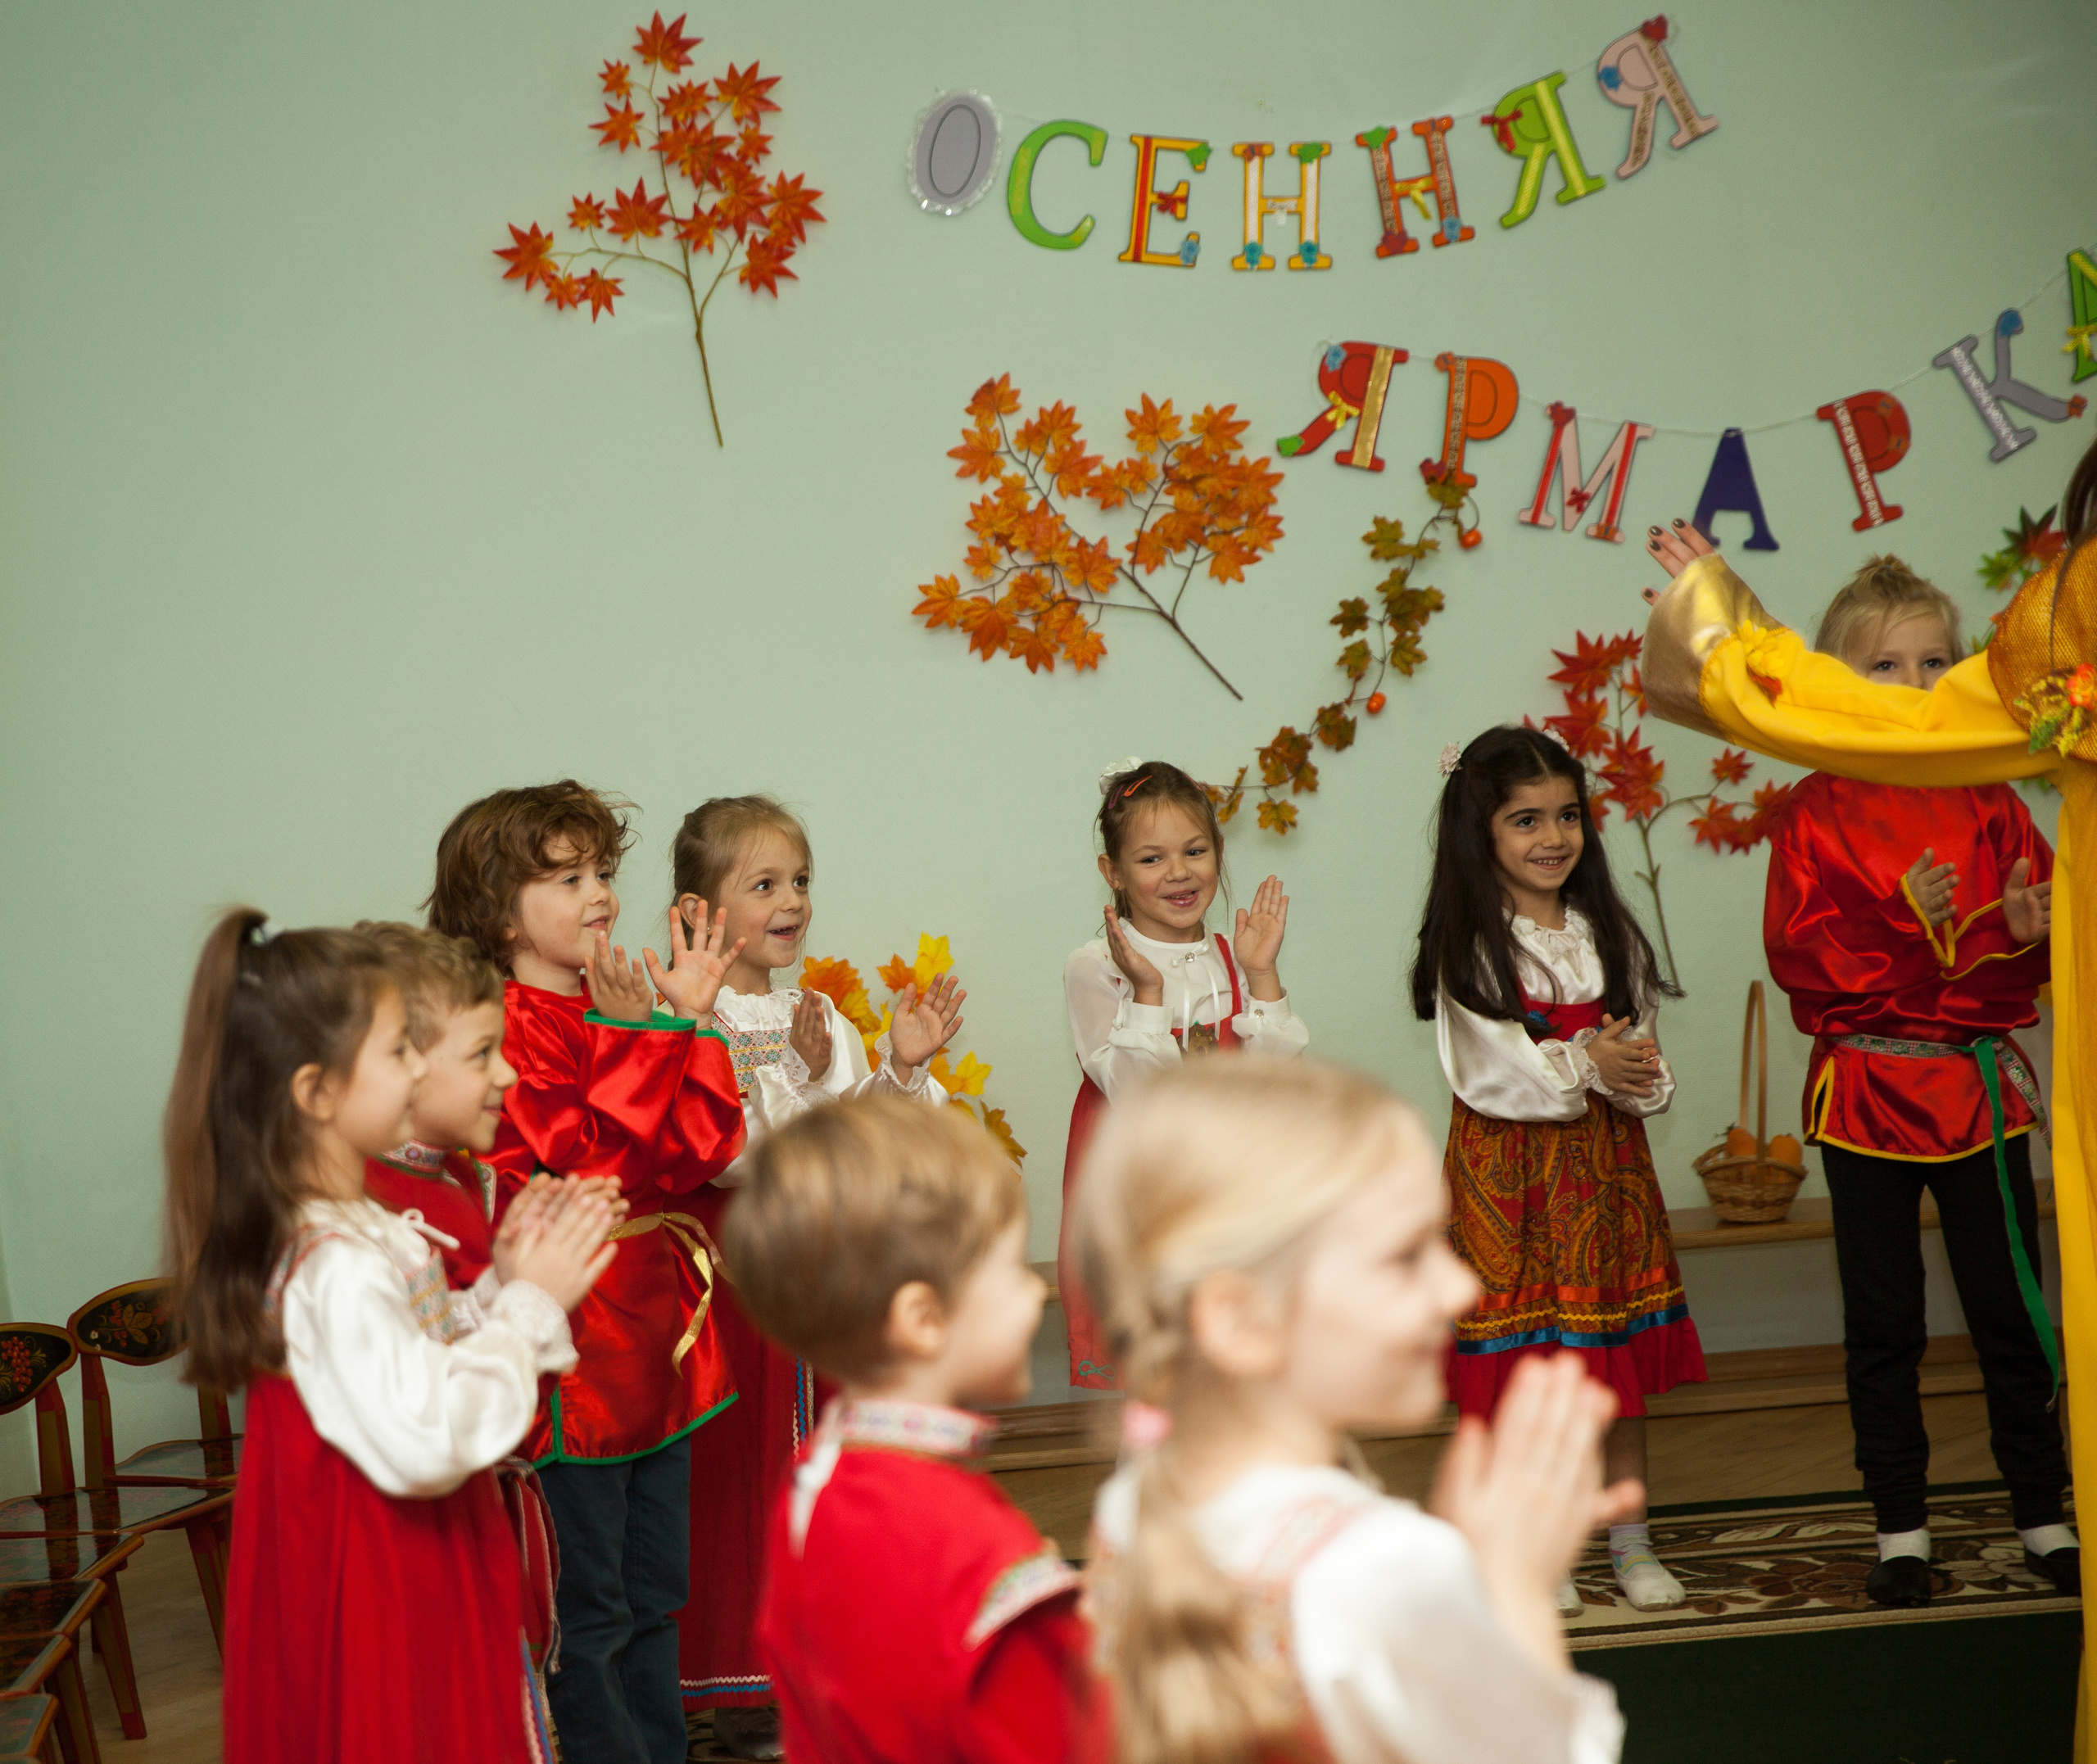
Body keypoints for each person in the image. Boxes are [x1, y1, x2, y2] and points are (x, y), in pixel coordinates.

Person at [1078, 1059, 1630, 1764]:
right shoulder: (1383, 1566)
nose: (1462, 1286)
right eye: (1405, 1257)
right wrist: (1512, 1591)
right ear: (1241, 1319)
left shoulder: (1136, 1501)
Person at [172, 909, 617, 1763]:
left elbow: (419, 1357)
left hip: (412, 1554)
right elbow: (424, 1434)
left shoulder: (360, 1229)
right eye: (397, 1052)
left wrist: (508, 1285)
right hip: (382, 1576)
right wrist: (526, 1310)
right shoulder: (331, 1259)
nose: (418, 1071)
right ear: (317, 1092)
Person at [1757, 558, 2072, 1606]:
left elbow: (2011, 975)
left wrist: (2023, 932)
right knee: (1882, 1323)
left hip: (1977, 1097)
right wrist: (1904, 918)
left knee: (2010, 1312)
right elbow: (1806, 969)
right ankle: (1900, 1528)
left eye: (1935, 660)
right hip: (1866, 1101)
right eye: (1884, 663)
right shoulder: (1812, 811)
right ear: (1837, 680)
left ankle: (2042, 1510)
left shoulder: (1988, 800)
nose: (1915, 678)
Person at [428, 780, 749, 1764]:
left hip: (658, 1341)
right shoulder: (502, 1028)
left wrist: (683, 1021)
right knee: (593, 1612)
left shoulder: (616, 1002)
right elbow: (587, 1170)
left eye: (602, 870)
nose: (599, 892)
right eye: (566, 877)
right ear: (496, 909)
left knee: (659, 1595)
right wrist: (639, 1036)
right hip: (577, 1362)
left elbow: (699, 1150)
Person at [665, 794, 964, 1759]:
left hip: (813, 1277)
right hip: (730, 1285)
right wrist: (790, 1088)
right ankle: (733, 1684)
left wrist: (900, 1071)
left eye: (800, 881)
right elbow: (726, 1156)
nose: (791, 901)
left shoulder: (819, 1012)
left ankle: (816, 1666)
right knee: (738, 1478)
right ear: (700, 911)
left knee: (813, 1472)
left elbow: (854, 1146)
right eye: (764, 885)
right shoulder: (690, 1011)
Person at [1410, 725, 1705, 1612]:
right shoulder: (1473, 943)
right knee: (1518, 1370)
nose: (1552, 838)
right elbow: (1492, 1069)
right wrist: (1586, 1063)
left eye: (1567, 816)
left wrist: (1633, 1072)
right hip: (1509, 1179)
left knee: (1605, 1365)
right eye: (1525, 820)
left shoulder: (1602, 929)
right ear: (1481, 834)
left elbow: (1638, 1043)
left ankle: (1628, 1541)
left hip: (1603, 1175)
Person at [729, 1097, 1098, 1764]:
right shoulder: (972, 1548)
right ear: (923, 1317)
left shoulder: (819, 1472)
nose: (1033, 1291)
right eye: (1012, 1269)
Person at [1059, 758, 1307, 1388]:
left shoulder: (1234, 954)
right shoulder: (1095, 967)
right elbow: (1138, 1097)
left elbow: (1273, 1087)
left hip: (1225, 1186)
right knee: (1158, 1366)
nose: (1178, 873)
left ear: (1219, 853)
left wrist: (1262, 976)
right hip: (1141, 1190)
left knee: (1229, 1368)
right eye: (1151, 859)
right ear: (1111, 872)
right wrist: (1146, 989)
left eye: (1194, 851)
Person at [356, 921, 516, 1288]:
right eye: (482, 1053)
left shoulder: (482, 1184)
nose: (508, 1075)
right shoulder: (356, 1197)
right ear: (402, 1061)